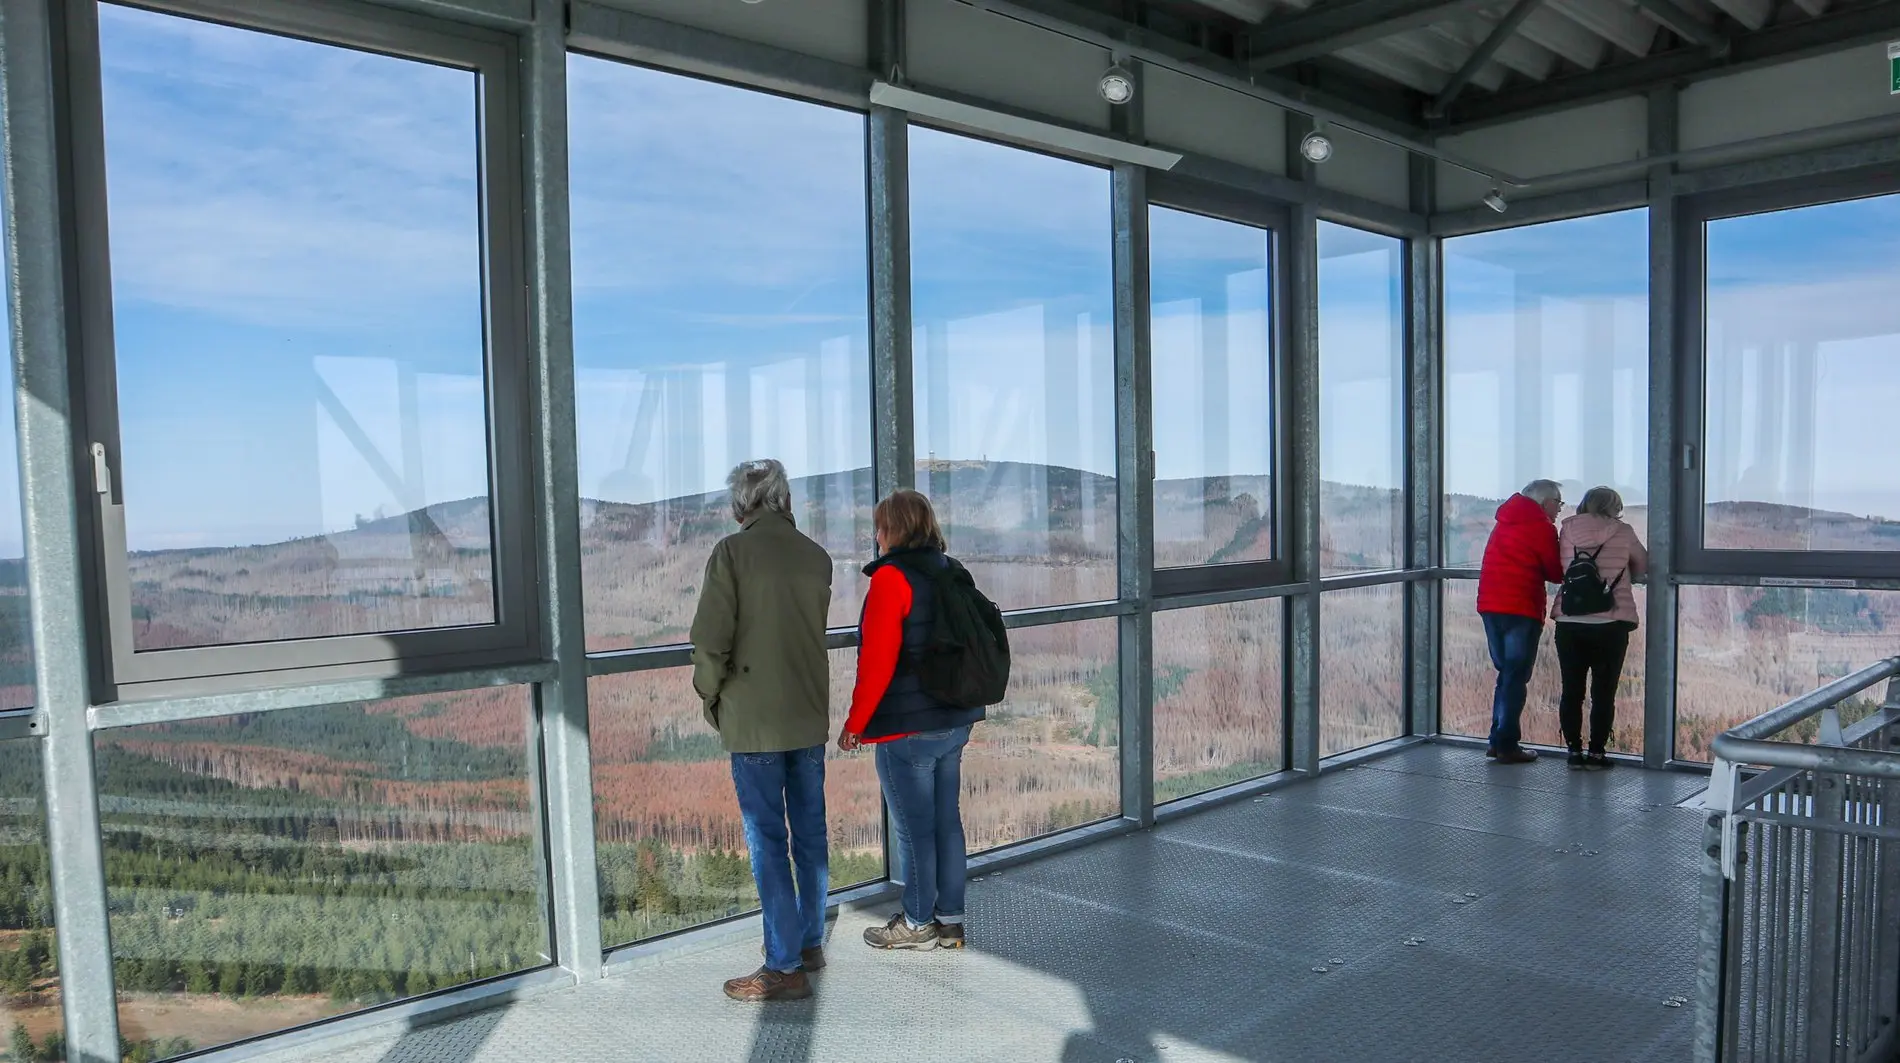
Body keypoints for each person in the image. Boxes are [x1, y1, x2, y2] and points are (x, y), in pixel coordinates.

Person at [689, 459, 834, 1002]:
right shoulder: (816, 557)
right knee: (811, 835)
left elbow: (710, 641)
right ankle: (810, 943)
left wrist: (712, 697)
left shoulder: (731, 554)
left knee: (768, 842)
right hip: (808, 715)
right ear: (784, 500)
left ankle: (784, 965)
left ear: (740, 506)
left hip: (754, 721)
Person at [837, 490, 984, 952]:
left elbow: (877, 663)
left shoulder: (890, 579)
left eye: (880, 527)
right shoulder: (949, 570)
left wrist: (855, 723)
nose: (876, 536)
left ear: (894, 530)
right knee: (947, 823)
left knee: (914, 830)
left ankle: (918, 923)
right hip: (953, 720)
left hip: (908, 730)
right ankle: (950, 922)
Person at [1551, 486, 1648, 771]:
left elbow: (1560, 567)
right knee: (1604, 693)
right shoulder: (1623, 531)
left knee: (1571, 691)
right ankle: (1596, 753)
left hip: (1570, 621)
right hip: (1610, 623)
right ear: (1614, 507)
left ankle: (1573, 751)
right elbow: (1643, 564)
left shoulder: (1567, 530)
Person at [1475, 479, 1565, 764]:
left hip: (1491, 605)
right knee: (1515, 677)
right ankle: (1507, 745)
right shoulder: (1541, 527)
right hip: (1521, 608)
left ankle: (1497, 741)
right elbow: (1555, 571)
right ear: (1545, 502)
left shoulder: (1504, 522)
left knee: (1506, 674)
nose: (1559, 509)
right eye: (1558, 503)